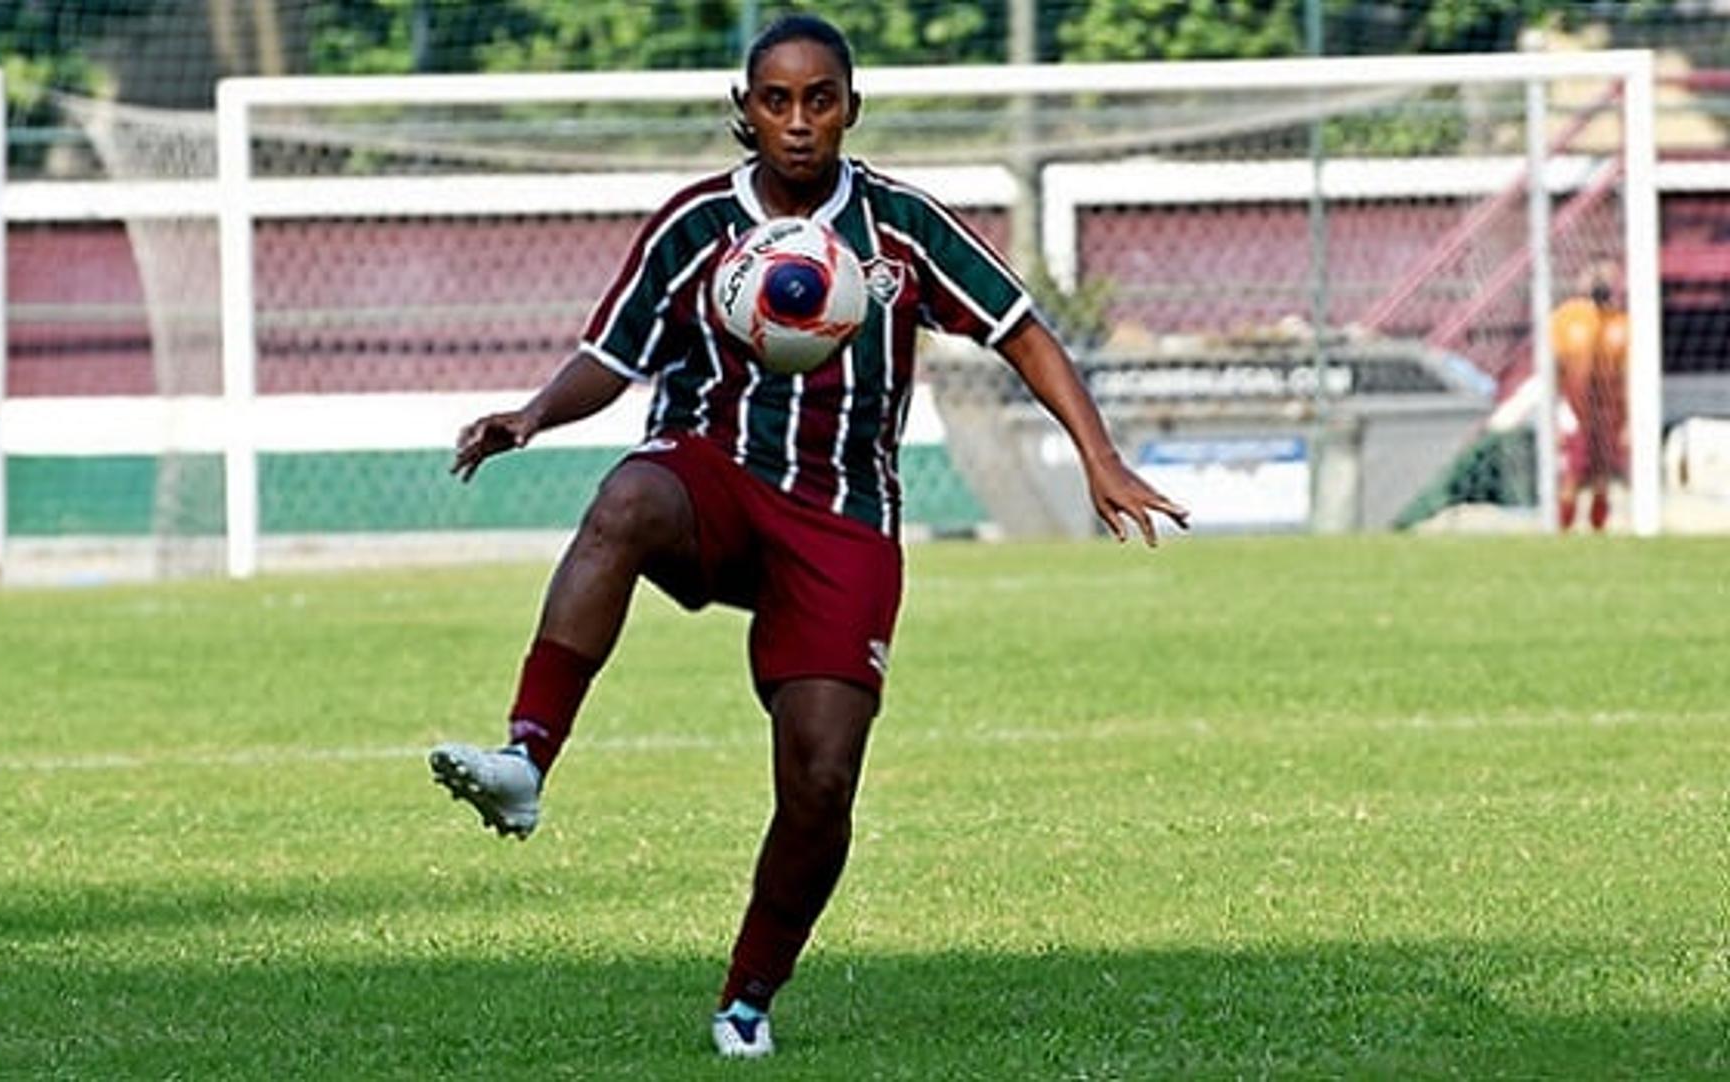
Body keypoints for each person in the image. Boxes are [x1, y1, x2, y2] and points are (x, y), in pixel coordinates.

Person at [427, 13, 1189, 1059]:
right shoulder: (695, 227)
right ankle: (527, 755)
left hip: (845, 520)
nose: (797, 121)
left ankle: (748, 996)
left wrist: (1098, 455)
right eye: (775, 101)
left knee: (823, 777)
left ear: (849, 108)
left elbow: (1018, 327)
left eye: (818, 99)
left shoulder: (900, 226)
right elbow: (611, 354)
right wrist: (531, 415)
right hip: (719, 482)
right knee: (627, 498)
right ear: (744, 112)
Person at [1547, 260, 1629, 531]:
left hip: (1609, 413)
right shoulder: (1566, 318)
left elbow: (1628, 377)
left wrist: (1628, 421)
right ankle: (1563, 530)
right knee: (1573, 472)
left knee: (1602, 475)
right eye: (1593, 273)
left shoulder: (1623, 324)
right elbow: (1554, 368)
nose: (1599, 280)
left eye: (1607, 275)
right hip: (1574, 410)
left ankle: (1598, 530)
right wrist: (1556, 412)